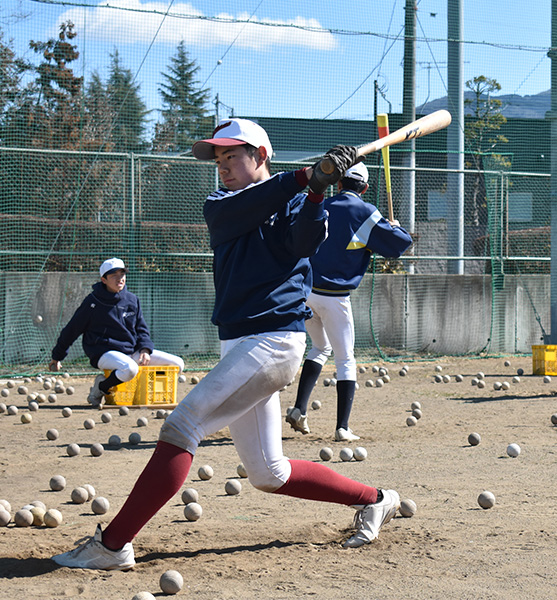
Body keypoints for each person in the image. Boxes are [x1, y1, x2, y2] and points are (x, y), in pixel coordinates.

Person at [52, 118, 400, 572]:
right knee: (267, 474)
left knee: (182, 425)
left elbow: (306, 240)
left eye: (233, 155)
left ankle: (114, 543)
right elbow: (246, 208)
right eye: (219, 159)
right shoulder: (222, 203)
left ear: (261, 155)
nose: (223, 166)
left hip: (274, 340)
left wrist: (316, 191)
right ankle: (376, 499)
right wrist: (304, 178)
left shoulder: (296, 202)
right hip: (240, 344)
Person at [286, 162, 412, 441]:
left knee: (320, 347)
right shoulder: (366, 212)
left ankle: (299, 409)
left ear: (338, 183)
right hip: (335, 297)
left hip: (305, 291)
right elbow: (399, 245)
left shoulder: (323, 204)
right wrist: (395, 227)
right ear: (364, 188)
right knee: (345, 359)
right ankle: (342, 428)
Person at [48, 258, 184, 407]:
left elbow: (142, 330)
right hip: (103, 352)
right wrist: (57, 356)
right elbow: (72, 329)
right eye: (114, 275)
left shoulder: (132, 300)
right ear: (103, 280)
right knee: (130, 368)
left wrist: (144, 349)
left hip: (131, 352)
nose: (120, 278)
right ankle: (102, 387)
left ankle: (136, 392)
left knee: (178, 364)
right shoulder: (92, 302)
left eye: (122, 274)